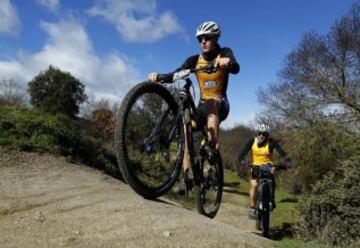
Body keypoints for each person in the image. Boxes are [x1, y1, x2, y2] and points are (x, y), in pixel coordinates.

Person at [148, 21, 240, 194]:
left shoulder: (224, 52)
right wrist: (159, 76)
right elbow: (175, 74)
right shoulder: (194, 60)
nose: (203, 41)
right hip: (202, 108)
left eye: (207, 38)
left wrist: (227, 63)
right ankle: (186, 178)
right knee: (185, 131)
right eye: (200, 39)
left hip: (220, 105)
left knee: (212, 103)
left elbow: (235, 67)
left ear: (216, 38)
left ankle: (212, 146)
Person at [236, 124, 292, 219]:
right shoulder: (251, 141)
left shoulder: (272, 142)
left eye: (264, 134)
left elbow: (282, 153)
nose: (261, 135)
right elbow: (242, 153)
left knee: (272, 180)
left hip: (268, 166)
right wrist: (242, 161)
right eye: (259, 133)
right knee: (254, 185)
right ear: (257, 133)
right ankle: (252, 208)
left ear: (268, 135)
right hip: (255, 166)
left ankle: (272, 199)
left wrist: (287, 161)